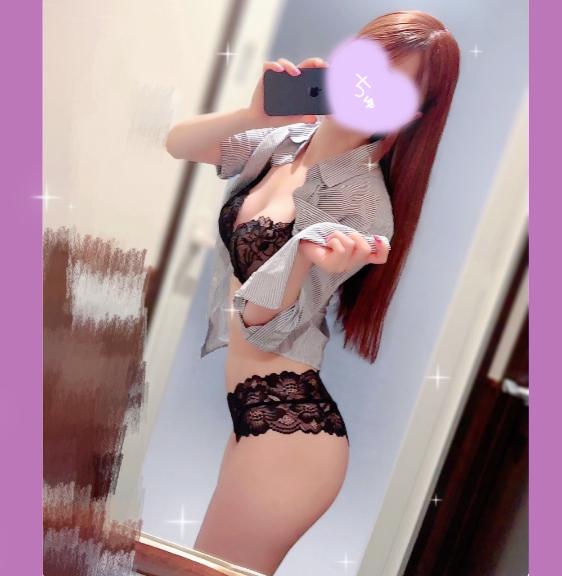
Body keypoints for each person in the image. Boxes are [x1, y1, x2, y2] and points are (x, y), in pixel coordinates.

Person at [165, 10, 460, 575]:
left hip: (291, 434)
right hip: (255, 418)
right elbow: (178, 142)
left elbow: (261, 326)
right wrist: (254, 114)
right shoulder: (284, 141)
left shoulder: (361, 206)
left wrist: (300, 254)